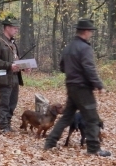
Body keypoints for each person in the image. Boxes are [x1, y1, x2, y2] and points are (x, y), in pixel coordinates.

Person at [44, 19, 110, 157]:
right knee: (92, 119)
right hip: (83, 88)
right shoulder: (85, 48)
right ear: (85, 31)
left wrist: (72, 71)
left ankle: (50, 143)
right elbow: (89, 68)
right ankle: (93, 149)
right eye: (91, 31)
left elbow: (62, 67)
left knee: (66, 117)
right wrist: (99, 85)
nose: (91, 33)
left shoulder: (68, 47)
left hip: (71, 86)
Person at [0, 16, 24, 133]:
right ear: (7, 28)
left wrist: (24, 68)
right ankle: (3, 127)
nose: (16, 30)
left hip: (14, 78)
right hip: (3, 79)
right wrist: (9, 66)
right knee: (4, 102)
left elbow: (16, 60)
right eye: (14, 28)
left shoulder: (13, 43)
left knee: (13, 103)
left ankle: (8, 124)